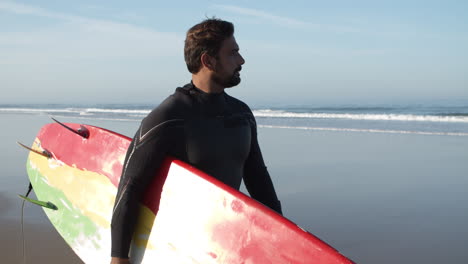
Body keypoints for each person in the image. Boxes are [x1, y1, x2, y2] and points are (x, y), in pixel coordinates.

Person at [110, 18, 282, 264]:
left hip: (224, 244)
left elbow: (258, 178)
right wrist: (119, 257)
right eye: (233, 53)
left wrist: (283, 236)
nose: (241, 61)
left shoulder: (241, 113)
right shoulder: (169, 116)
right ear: (208, 61)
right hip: (179, 246)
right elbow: (131, 187)